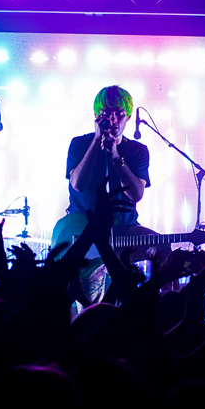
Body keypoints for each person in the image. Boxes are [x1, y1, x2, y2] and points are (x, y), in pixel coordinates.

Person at [52, 86, 167, 292]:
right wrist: (96, 141)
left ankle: (161, 303)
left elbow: (136, 194)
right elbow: (78, 184)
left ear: (128, 116)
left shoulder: (137, 151)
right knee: (86, 291)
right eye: (106, 113)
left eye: (119, 113)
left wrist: (115, 156)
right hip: (84, 227)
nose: (113, 119)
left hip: (124, 229)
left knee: (162, 245)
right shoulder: (79, 144)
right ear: (97, 115)